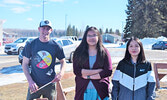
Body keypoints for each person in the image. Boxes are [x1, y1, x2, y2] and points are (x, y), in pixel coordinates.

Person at [22, 20, 66, 100]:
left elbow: (63, 61)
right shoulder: (30, 45)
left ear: (51, 30)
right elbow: (24, 64)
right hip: (34, 84)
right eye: (43, 28)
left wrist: (61, 73)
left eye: (48, 29)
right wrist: (30, 81)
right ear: (39, 29)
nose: (45, 31)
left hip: (50, 84)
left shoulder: (56, 46)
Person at [73, 26, 112, 100]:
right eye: (89, 35)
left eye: (94, 35)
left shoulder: (104, 52)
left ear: (98, 37)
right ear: (85, 37)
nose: (92, 38)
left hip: (100, 91)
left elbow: (108, 71)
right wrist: (98, 71)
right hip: (83, 91)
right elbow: (77, 71)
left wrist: (88, 76)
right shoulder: (79, 52)